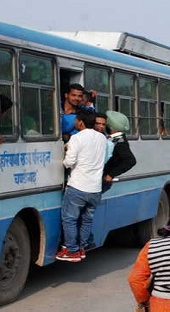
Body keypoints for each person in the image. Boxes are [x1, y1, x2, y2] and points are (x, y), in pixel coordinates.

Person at [56, 109, 107, 262]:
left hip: (78, 186)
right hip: (95, 188)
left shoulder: (76, 138)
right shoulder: (102, 138)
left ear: (80, 122)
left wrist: (64, 158)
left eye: (76, 120)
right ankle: (82, 247)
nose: (75, 122)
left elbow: (69, 162)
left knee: (69, 218)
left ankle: (71, 251)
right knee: (87, 219)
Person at [102, 110, 136, 192]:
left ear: (110, 127)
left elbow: (130, 160)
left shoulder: (120, 142)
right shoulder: (113, 138)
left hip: (104, 179)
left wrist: (110, 175)